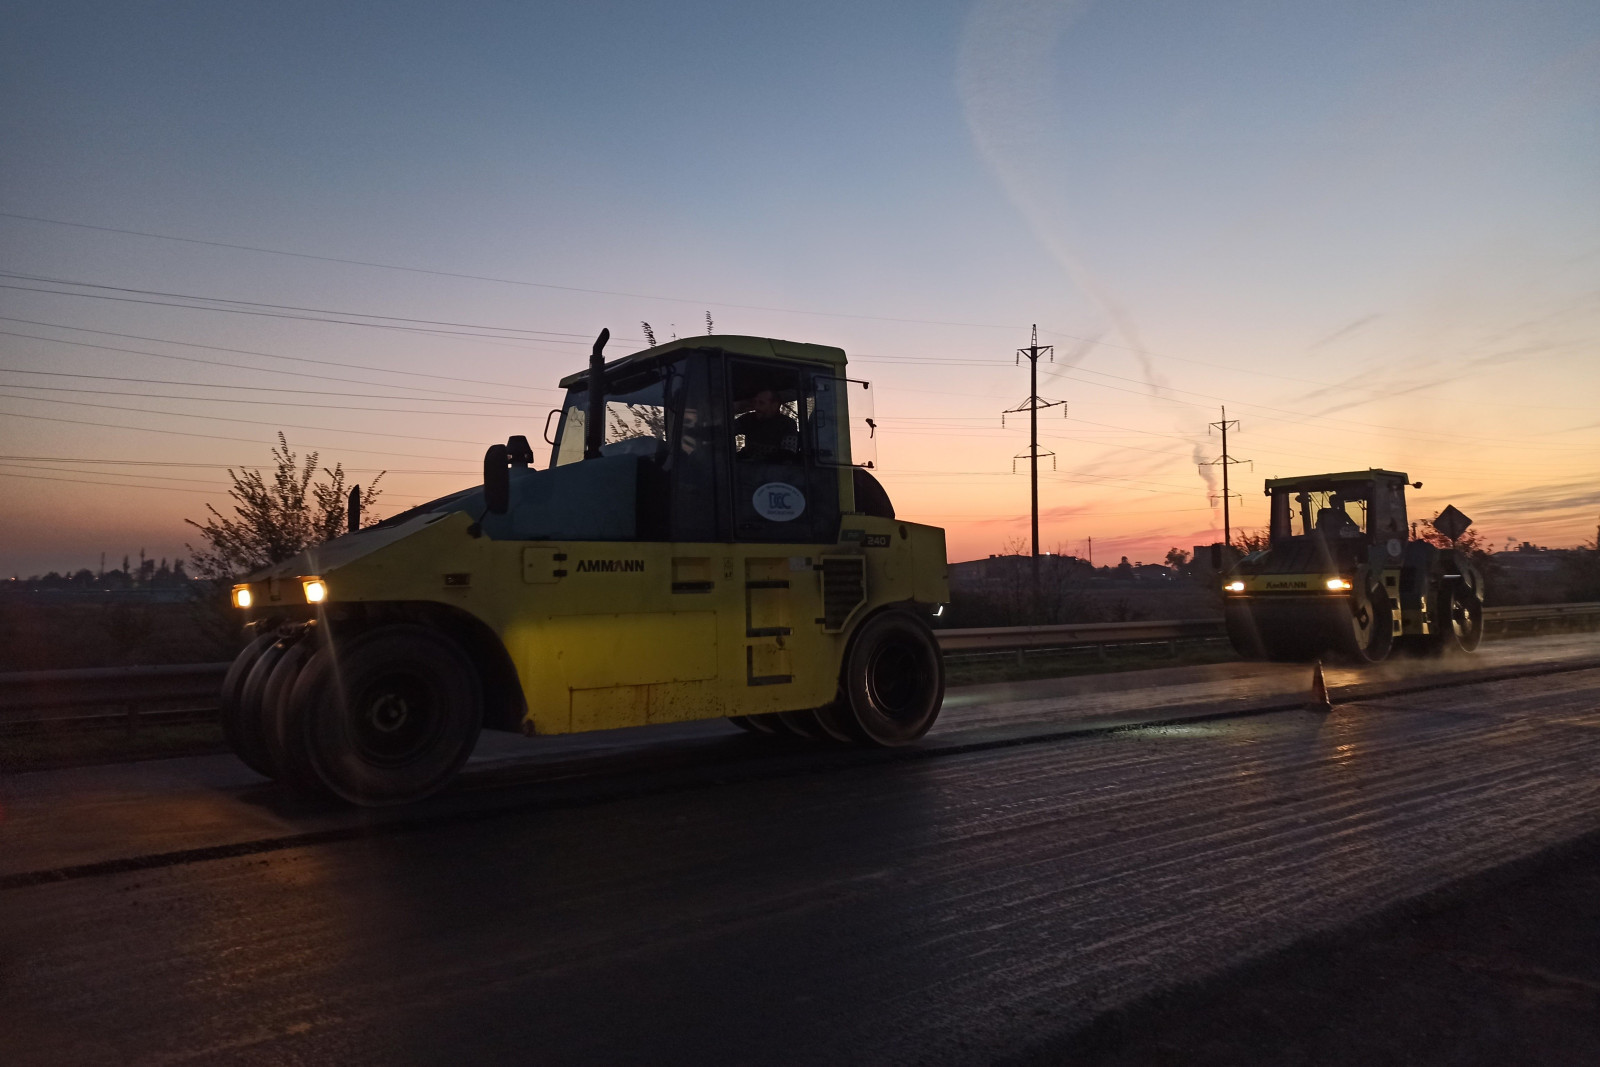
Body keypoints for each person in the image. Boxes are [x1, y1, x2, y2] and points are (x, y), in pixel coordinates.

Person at [734, 388, 800, 462]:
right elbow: (726, 431)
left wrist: (758, 461)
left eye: (761, 403)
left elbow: (787, 455)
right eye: (755, 402)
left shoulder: (787, 424)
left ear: (774, 405)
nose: (756, 407)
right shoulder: (748, 419)